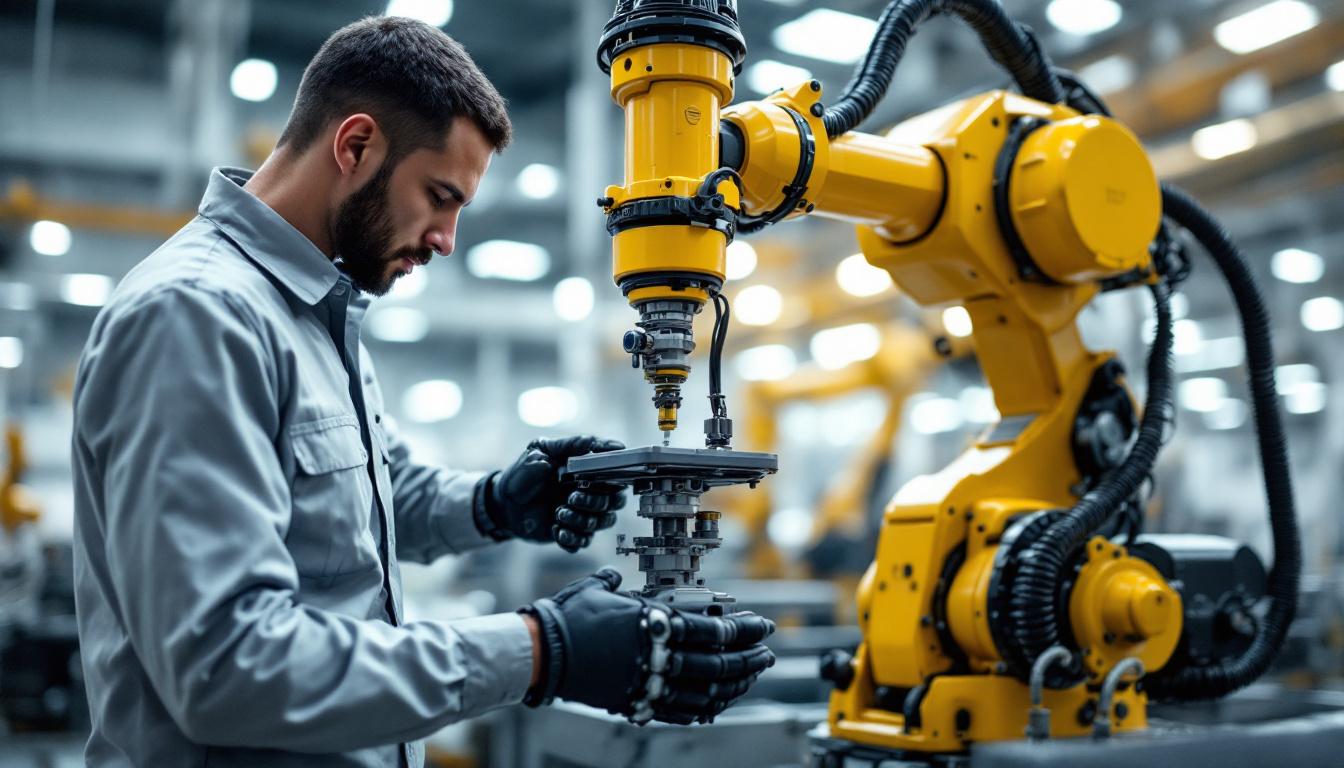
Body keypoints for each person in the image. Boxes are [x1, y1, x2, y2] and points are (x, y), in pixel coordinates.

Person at [71, 16, 774, 768]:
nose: (447, 239)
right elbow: (225, 665)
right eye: (440, 196)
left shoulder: (317, 311)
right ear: (355, 145)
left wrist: (497, 502)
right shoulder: (198, 318)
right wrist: (540, 651)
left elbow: (371, 501)